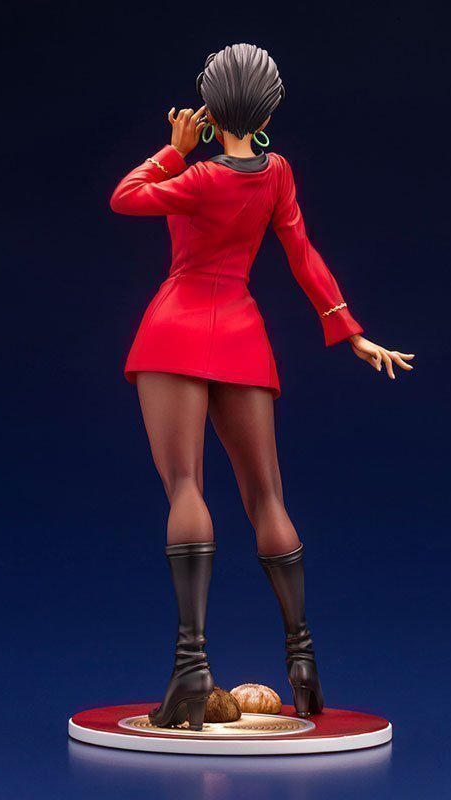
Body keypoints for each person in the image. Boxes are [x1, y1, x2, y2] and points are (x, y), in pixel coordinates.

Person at [109, 43, 414, 730]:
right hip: (242, 333)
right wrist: (351, 330)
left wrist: (172, 151)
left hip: (175, 329)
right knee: (268, 498)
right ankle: (302, 660)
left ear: (210, 111)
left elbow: (125, 197)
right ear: (269, 113)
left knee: (186, 489)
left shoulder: (196, 177)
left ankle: (191, 666)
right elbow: (303, 253)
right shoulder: (277, 173)